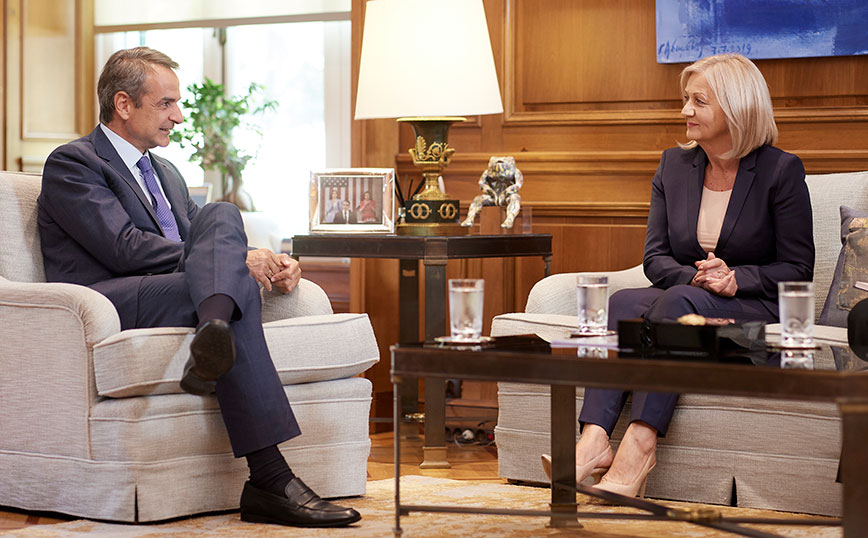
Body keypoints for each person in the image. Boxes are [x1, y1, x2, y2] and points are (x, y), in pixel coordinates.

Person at [37, 47, 361, 528]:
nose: (179, 116)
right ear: (123, 104)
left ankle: (214, 331)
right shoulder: (74, 163)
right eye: (166, 103)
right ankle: (271, 480)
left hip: (180, 291)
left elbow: (209, 240)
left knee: (222, 213)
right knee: (232, 277)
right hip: (110, 297)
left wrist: (270, 261)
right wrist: (234, 262)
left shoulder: (166, 172)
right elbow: (123, 248)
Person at [542, 53, 814, 498]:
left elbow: (798, 268)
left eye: (699, 101)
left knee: (673, 303)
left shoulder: (780, 171)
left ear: (736, 108)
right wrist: (695, 278)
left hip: (751, 331)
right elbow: (655, 258)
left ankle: (639, 447)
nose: (685, 110)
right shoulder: (673, 165)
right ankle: (594, 440)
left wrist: (736, 278)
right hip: (691, 317)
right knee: (623, 302)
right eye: (686, 99)